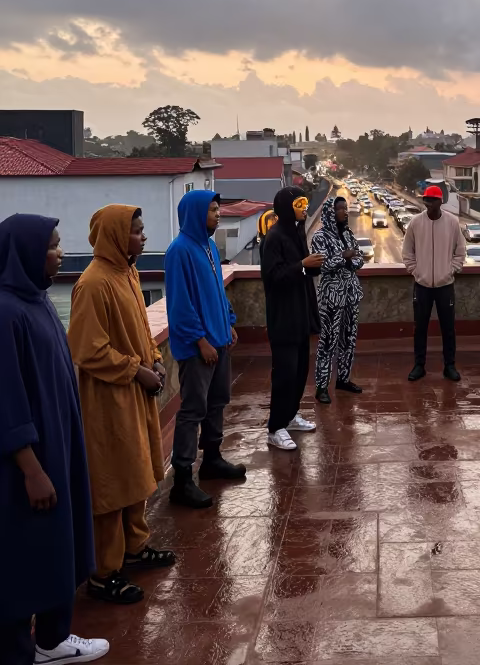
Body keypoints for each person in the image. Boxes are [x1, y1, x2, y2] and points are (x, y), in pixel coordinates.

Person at [0, 215, 108, 665]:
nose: (60, 253)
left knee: (59, 547)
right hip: (28, 464)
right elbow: (7, 398)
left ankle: (52, 640)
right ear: (23, 252)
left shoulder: (37, 301)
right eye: (52, 246)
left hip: (58, 450)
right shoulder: (4, 312)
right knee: (23, 560)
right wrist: (29, 465)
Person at [68, 206, 175, 604]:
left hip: (133, 391)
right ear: (115, 236)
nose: (143, 238)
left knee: (134, 475)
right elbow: (88, 350)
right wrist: (136, 370)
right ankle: (104, 571)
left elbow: (141, 331)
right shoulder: (93, 284)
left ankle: (134, 547)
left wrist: (155, 359)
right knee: (112, 484)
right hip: (108, 398)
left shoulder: (126, 273)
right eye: (137, 232)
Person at [165, 191, 244, 507]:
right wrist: (200, 341)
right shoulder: (179, 251)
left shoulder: (209, 246)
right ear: (197, 213)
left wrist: (229, 322)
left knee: (217, 402)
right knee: (193, 410)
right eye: (212, 210)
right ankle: (182, 480)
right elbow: (180, 305)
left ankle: (211, 459)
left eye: (218, 210)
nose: (218, 215)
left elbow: (216, 291)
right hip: (198, 347)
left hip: (219, 339)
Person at [261, 187, 322, 450]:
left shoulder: (297, 232)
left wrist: (312, 265)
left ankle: (290, 415)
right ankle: (275, 427)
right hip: (283, 318)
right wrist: (302, 265)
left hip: (300, 315)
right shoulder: (273, 238)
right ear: (287, 207)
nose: (305, 208)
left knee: (299, 372)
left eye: (306, 203)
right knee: (284, 374)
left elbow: (304, 273)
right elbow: (273, 278)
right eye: (300, 204)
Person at [402, 185, 467, 383]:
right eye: (426, 201)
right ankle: (419, 365)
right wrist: (416, 270)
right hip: (421, 286)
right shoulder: (415, 222)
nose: (428, 204)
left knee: (448, 328)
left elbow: (461, 249)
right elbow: (407, 251)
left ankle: (449, 366)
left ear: (440, 201)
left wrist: (452, 269)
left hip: (445, 285)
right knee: (420, 327)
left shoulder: (452, 222)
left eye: (432, 200)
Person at [310, 196, 363, 403]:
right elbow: (320, 265)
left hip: (351, 293)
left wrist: (350, 259)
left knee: (349, 339)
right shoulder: (320, 237)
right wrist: (344, 257)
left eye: (345, 208)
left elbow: (358, 258)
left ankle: (343, 378)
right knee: (328, 342)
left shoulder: (348, 234)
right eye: (340, 208)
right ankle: (322, 386)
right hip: (332, 296)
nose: (344, 212)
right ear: (331, 212)